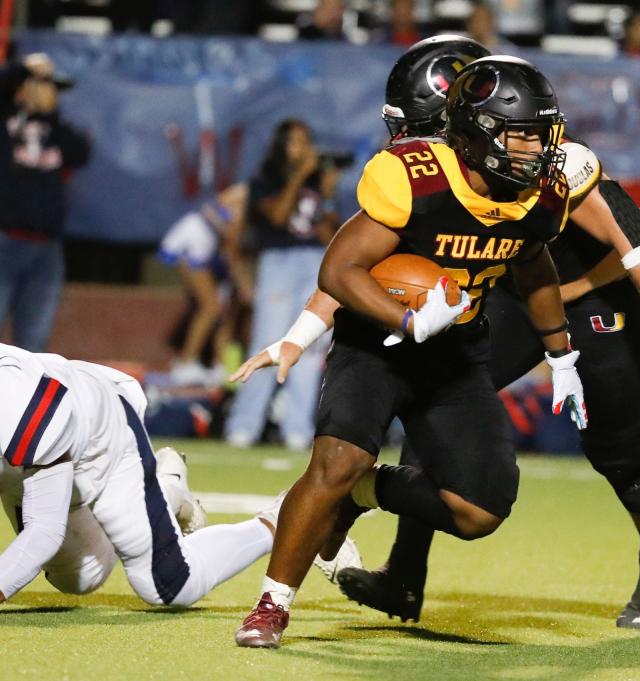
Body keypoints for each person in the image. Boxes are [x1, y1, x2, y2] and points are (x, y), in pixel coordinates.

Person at [234, 37, 640, 632]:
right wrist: (299, 334)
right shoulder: (427, 174)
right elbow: (374, 262)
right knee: (433, 394)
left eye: (421, 128)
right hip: (511, 298)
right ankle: (404, 576)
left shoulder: (550, 163)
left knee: (617, 450)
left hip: (596, 299)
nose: (413, 143)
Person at [233, 56, 588, 649]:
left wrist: (561, 355)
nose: (538, 148)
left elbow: (533, 264)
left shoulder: (542, 196)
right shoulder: (415, 175)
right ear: (477, 135)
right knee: (336, 462)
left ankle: (363, 494)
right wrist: (405, 318)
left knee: (481, 512)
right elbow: (339, 268)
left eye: (541, 132)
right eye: (521, 133)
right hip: (377, 345)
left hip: (457, 353)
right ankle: (272, 604)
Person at [0, 343, 281, 607]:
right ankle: (159, 504)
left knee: (169, 584)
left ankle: (271, 522)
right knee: (81, 576)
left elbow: (44, 528)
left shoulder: (17, 401)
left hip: (100, 445)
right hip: (33, 460)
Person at [223, 120, 340, 451]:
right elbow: (277, 217)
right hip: (279, 261)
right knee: (268, 340)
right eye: (294, 142)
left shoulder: (320, 183)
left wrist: (327, 194)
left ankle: (298, 429)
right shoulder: (265, 180)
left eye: (306, 142)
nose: (302, 149)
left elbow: (329, 234)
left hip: (315, 260)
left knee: (310, 344)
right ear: (281, 146)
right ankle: (243, 426)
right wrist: (301, 177)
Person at [0, 52, 90, 352]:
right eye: (39, 84)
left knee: (34, 345)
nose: (46, 90)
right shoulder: (5, 117)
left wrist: (50, 114)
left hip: (46, 249)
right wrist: (24, 69)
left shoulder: (58, 128)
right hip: (5, 241)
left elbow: (81, 154)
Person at [158, 183, 253, 386]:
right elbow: (232, 248)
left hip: (209, 246)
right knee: (210, 307)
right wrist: (244, 283)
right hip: (195, 240)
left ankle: (221, 367)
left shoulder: (247, 197)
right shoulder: (249, 196)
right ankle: (185, 364)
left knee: (223, 310)